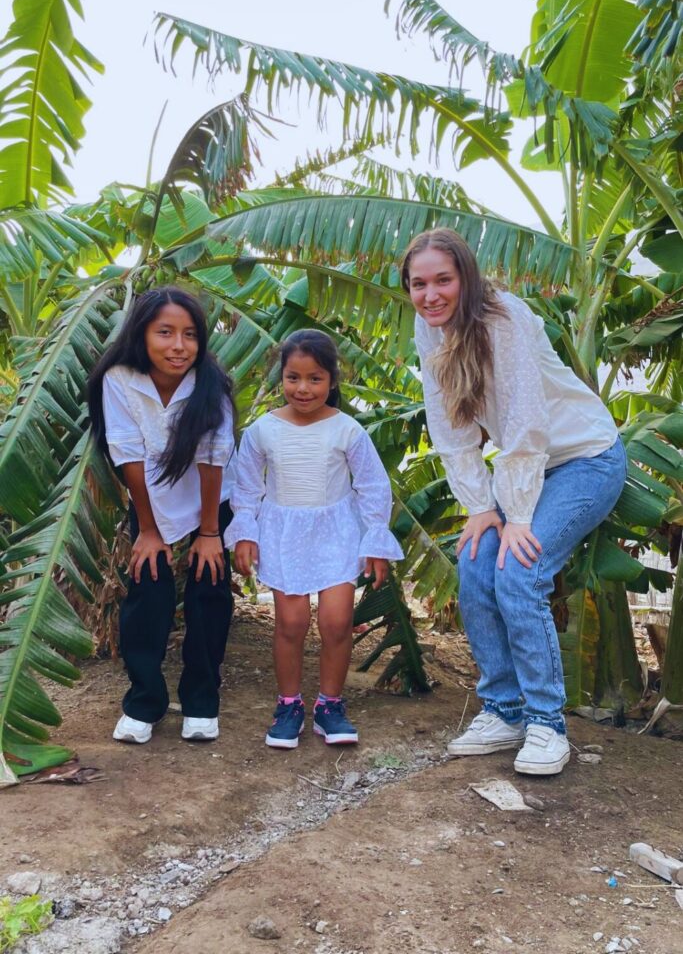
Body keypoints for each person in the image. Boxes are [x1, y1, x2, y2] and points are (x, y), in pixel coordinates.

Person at [402, 228, 626, 776]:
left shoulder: (503, 318)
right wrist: (481, 507)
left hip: (584, 460)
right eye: (418, 284)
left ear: (467, 278)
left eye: (443, 280)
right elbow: (448, 424)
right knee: (476, 562)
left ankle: (547, 724)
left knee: (519, 570)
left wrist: (518, 518)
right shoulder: (429, 329)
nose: (430, 295)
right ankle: (504, 712)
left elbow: (526, 421)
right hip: (530, 469)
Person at [225, 329, 403, 749]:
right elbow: (246, 487)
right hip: (284, 535)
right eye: (293, 377)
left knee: (337, 622)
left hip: (336, 534)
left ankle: (330, 706)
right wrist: (245, 534)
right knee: (290, 623)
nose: (303, 388)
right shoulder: (261, 432)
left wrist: (375, 541)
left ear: (332, 381)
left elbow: (373, 486)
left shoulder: (347, 430)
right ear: (281, 377)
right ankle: (288, 705)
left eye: (315, 379)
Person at [88, 287, 236, 744]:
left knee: (208, 592)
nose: (179, 346)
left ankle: (201, 700)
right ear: (142, 334)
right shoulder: (119, 379)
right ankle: (143, 702)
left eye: (189, 335)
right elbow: (127, 453)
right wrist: (148, 531)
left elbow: (214, 456)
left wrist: (209, 533)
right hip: (150, 499)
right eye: (165, 333)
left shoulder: (211, 384)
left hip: (211, 499)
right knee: (147, 593)